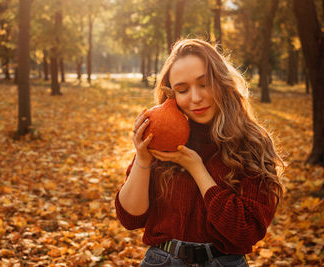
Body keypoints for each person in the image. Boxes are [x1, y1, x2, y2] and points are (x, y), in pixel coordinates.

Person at [115, 39, 284, 267]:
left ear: (222, 82)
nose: (195, 98)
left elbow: (246, 231)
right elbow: (130, 218)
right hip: (162, 260)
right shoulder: (163, 138)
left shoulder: (251, 144)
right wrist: (143, 159)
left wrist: (197, 169)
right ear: (171, 95)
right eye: (182, 90)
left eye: (204, 84)